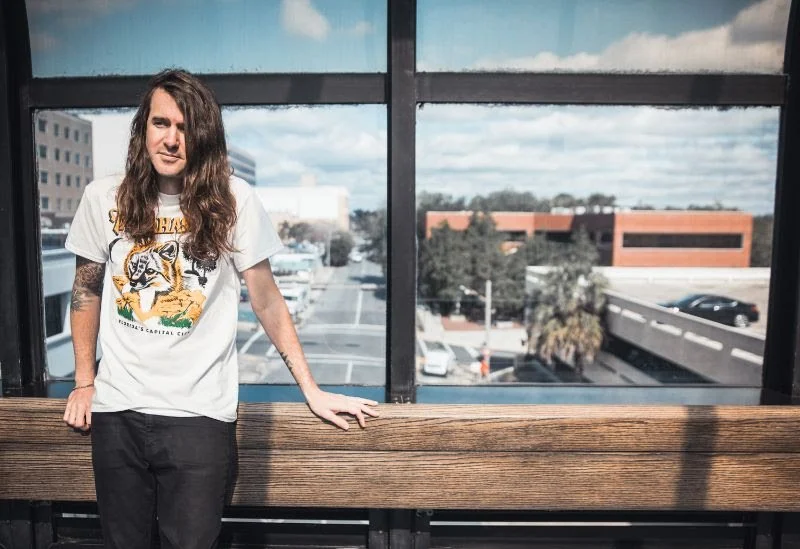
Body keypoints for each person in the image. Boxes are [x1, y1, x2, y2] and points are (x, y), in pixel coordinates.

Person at [62, 69, 380, 549]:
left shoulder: (234, 201)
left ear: (204, 138)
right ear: (143, 128)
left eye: (185, 128)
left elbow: (267, 299)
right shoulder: (102, 197)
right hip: (117, 412)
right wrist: (85, 382)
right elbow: (86, 291)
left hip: (199, 418)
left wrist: (310, 389)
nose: (171, 139)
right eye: (161, 123)